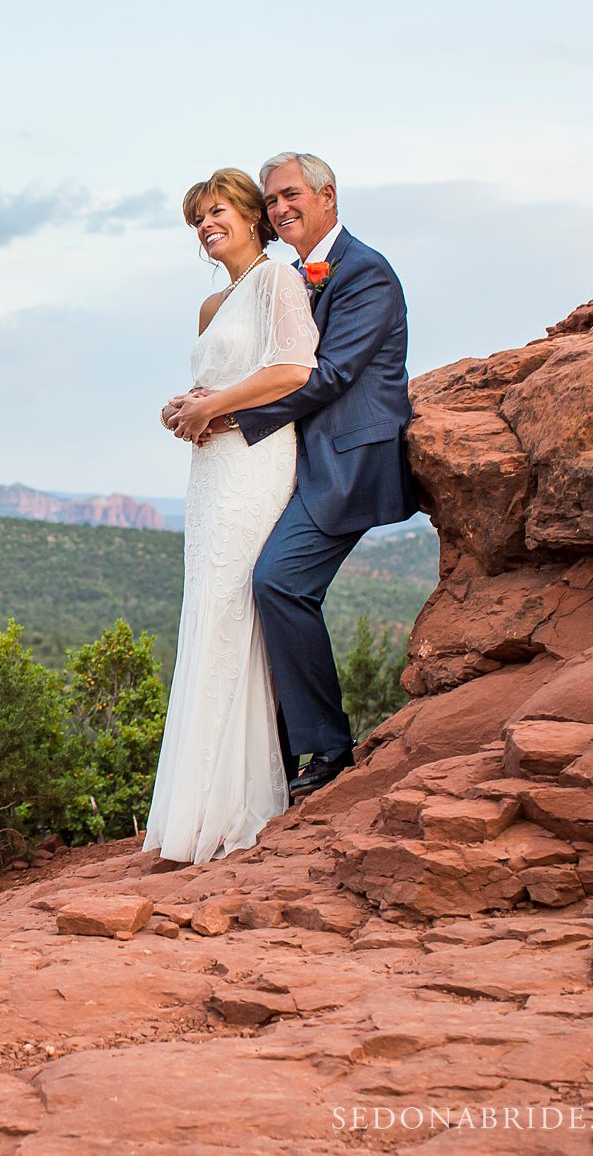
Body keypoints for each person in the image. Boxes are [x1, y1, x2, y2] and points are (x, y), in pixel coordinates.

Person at [166, 152, 416, 803]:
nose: (281, 207)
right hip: (284, 461)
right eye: (273, 198)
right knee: (253, 594)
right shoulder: (289, 277)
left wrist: (224, 414)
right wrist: (199, 401)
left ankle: (327, 749)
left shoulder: (364, 274)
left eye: (290, 195)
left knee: (277, 582)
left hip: (347, 464)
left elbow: (324, 375)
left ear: (328, 196)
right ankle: (262, 760)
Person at [141, 168, 318, 863]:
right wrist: (183, 408)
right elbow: (208, 388)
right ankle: (196, 801)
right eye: (197, 219)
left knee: (235, 610)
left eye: (216, 211)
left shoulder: (278, 281)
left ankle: (236, 802)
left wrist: (212, 408)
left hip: (254, 462)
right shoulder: (213, 306)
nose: (205, 225)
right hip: (209, 470)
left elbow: (294, 371)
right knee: (206, 612)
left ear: (251, 216)